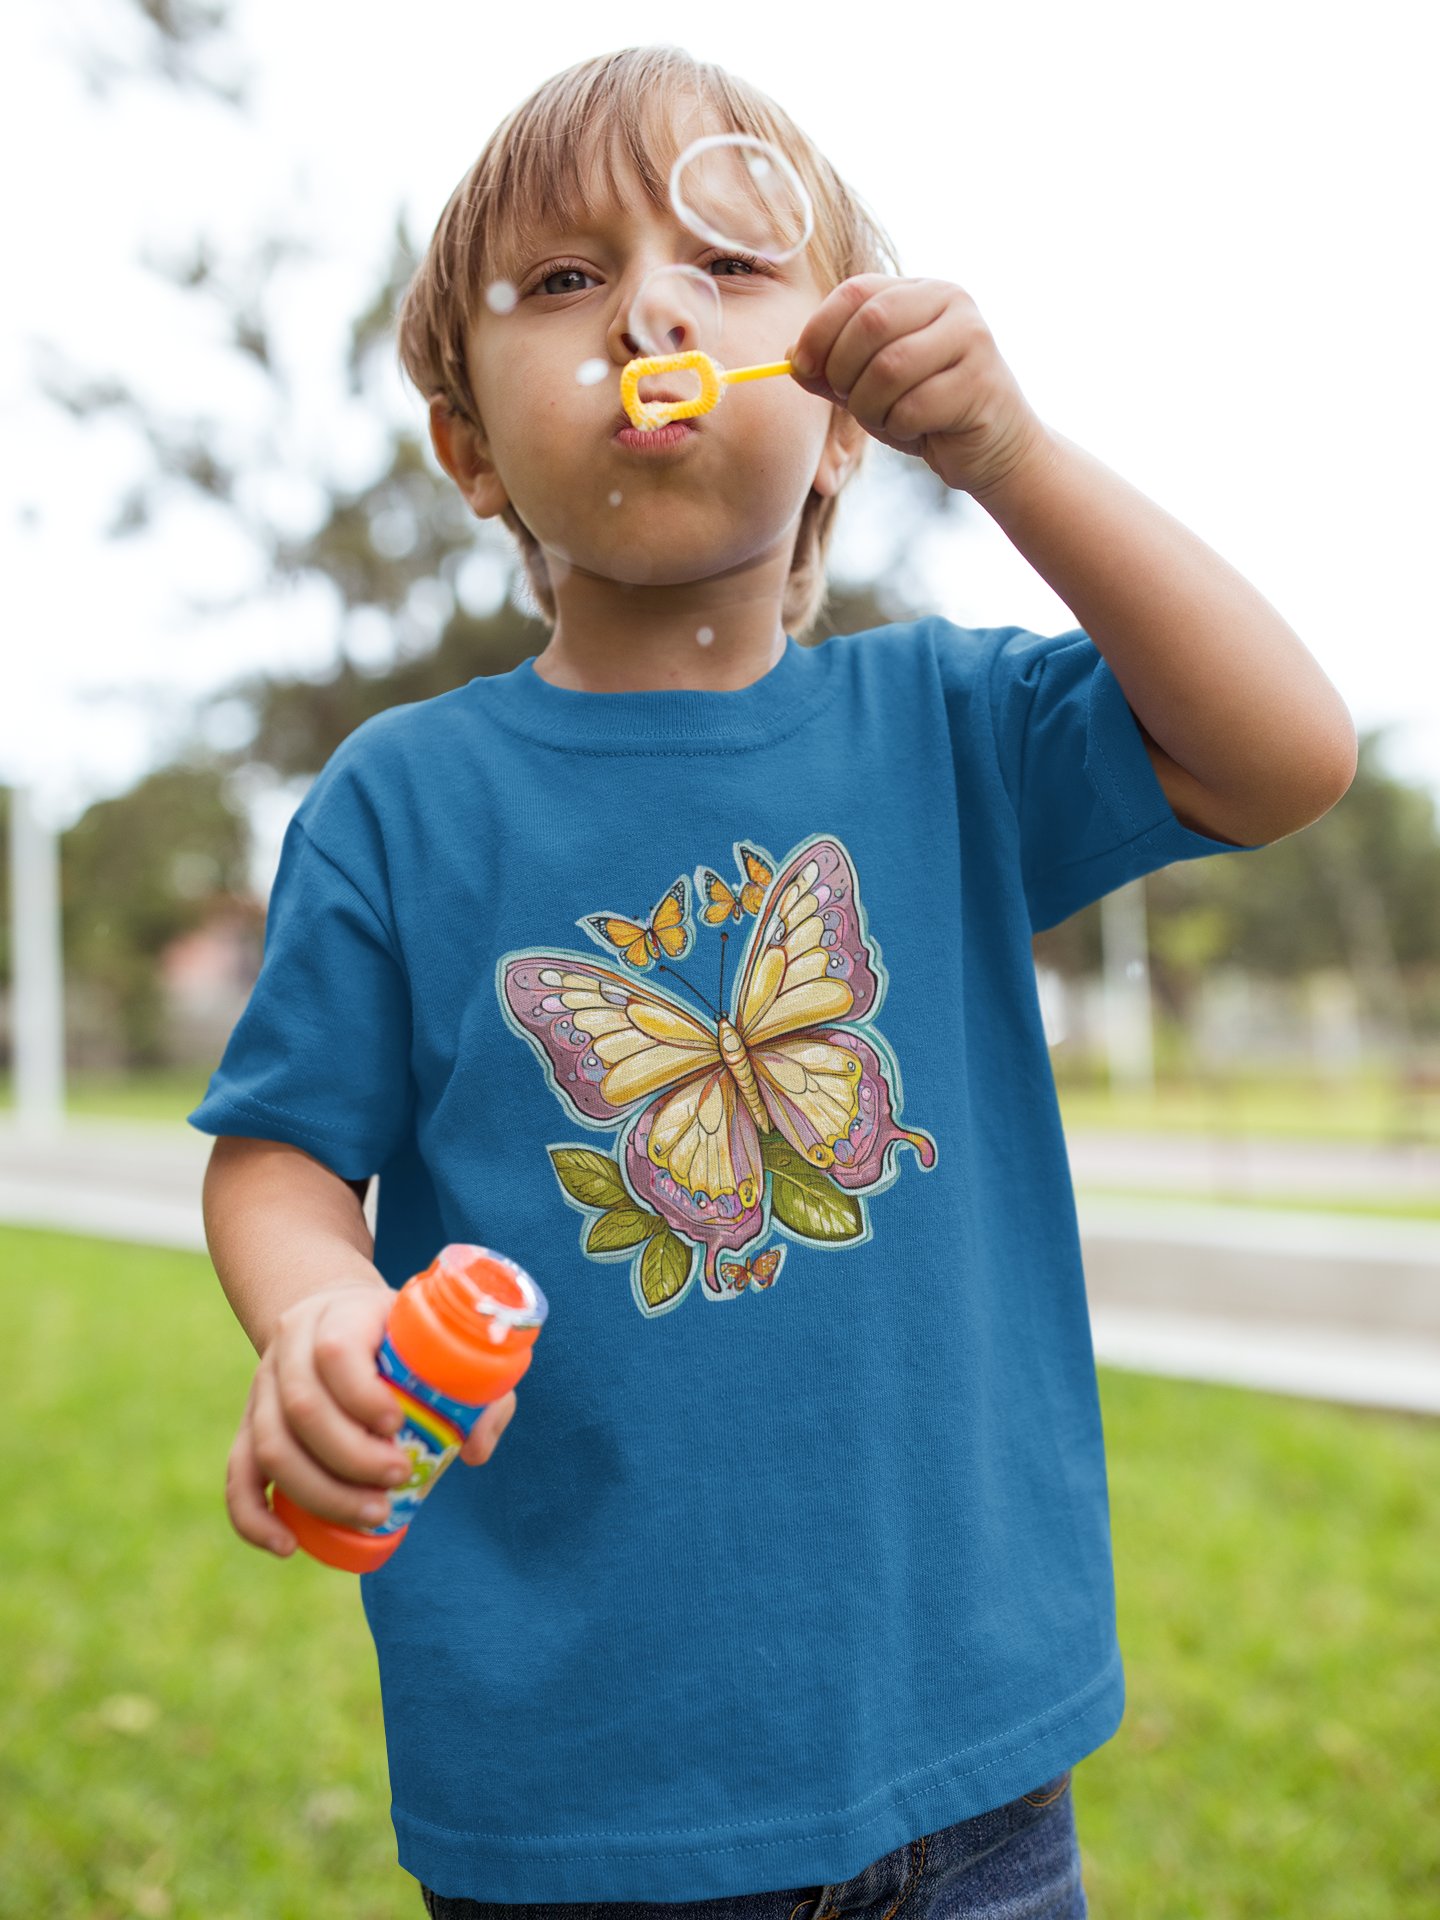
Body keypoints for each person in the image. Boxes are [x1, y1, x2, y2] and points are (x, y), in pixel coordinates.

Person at [194, 46, 1356, 1920]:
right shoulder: (402, 803)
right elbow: (277, 1154)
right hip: (577, 1803)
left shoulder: (952, 726)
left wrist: (1018, 459)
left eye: (728, 266)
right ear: (470, 446)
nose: (651, 304)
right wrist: (320, 1313)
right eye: (565, 283)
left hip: (974, 1775)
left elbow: (1283, 755)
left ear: (836, 412)